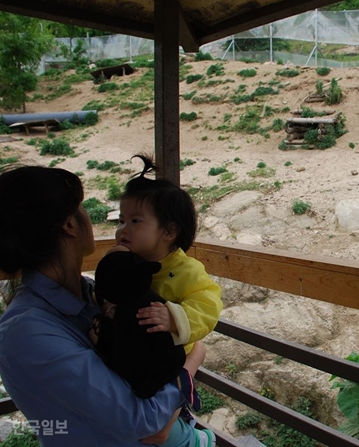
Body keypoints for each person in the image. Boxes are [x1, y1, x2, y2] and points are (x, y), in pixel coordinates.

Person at [0, 165, 215, 447]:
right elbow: (148, 423)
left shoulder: (91, 294)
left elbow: (49, 422)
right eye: (81, 206)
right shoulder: (26, 332)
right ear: (70, 224)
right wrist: (190, 364)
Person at [113, 154, 223, 356]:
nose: (123, 229)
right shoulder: (123, 264)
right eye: (121, 221)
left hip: (167, 358)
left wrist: (174, 319)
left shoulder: (186, 271)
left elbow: (208, 306)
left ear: (169, 232)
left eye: (135, 221)